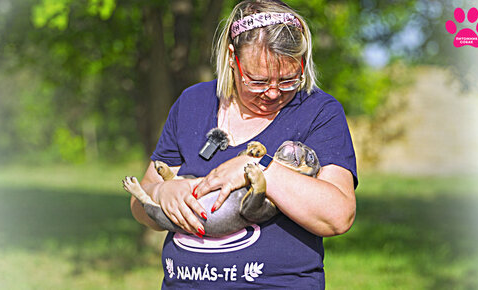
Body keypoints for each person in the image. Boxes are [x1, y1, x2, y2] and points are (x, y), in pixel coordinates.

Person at [130, 0, 358, 288]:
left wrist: (260, 167)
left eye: (288, 79)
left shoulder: (319, 111)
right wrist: (163, 191)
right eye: (258, 81)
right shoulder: (192, 103)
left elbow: (338, 216)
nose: (273, 93)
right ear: (231, 58)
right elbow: (140, 207)